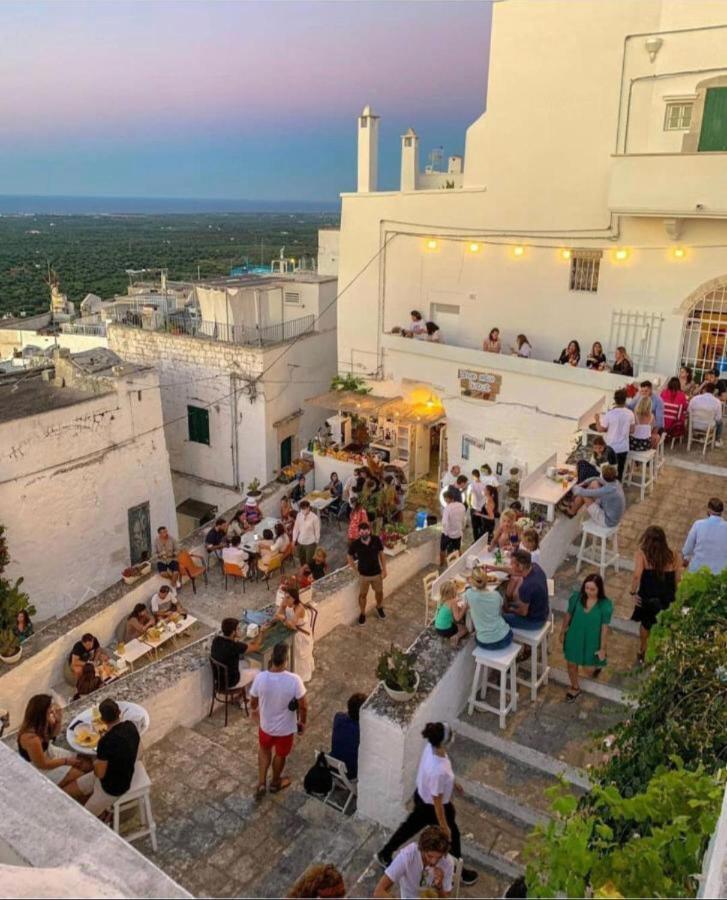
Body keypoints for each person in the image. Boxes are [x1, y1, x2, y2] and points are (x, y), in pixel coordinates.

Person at [376, 724, 478, 887]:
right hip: (432, 807)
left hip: (421, 795)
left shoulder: (431, 749)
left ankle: (385, 853)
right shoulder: (439, 770)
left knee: (409, 828)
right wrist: (445, 827)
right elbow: (437, 802)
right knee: (453, 837)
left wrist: (453, 783)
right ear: (444, 742)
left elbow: (442, 776)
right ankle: (458, 872)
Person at [249, 642, 307, 799]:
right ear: (286, 660)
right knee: (280, 755)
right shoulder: (294, 680)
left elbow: (253, 701)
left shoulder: (261, 678)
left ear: (272, 658)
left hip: (266, 726)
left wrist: (254, 711)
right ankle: (275, 782)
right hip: (285, 729)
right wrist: (302, 722)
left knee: (264, 750)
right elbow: (303, 706)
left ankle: (261, 783)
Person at [18, 695, 94, 801]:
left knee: (88, 764)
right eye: (50, 712)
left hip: (51, 752)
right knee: (81, 776)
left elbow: (53, 735)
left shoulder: (43, 723)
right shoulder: (31, 738)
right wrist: (67, 761)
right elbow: (42, 764)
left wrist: (58, 720)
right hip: (42, 767)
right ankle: (61, 798)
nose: (52, 714)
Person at [631, 526, 682, 664]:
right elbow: (678, 579)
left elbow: (637, 576)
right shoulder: (674, 555)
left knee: (646, 624)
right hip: (667, 596)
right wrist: (676, 597)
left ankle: (643, 650)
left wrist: (633, 592)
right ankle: (660, 651)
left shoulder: (641, 554)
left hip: (648, 596)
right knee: (665, 624)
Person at [84, 698, 141, 817]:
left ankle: (104, 814)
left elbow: (99, 774)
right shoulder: (131, 726)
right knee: (79, 785)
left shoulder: (105, 742)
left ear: (102, 719)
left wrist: (94, 761)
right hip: (123, 774)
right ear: (119, 712)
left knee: (84, 815)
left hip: (112, 788)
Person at [560, 574, 613, 701]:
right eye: (587, 588)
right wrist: (562, 631)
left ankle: (595, 667)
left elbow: (604, 628)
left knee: (588, 670)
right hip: (574, 636)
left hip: (592, 640)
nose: (588, 591)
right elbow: (568, 615)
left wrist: (602, 648)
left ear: (599, 589)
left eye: (592, 589)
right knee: (571, 664)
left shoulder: (605, 605)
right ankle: (575, 687)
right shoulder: (577, 598)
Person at [375, 827, 454, 899]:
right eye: (430, 856)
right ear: (422, 849)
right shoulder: (408, 856)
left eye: (439, 857)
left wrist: (439, 886)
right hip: (409, 895)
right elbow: (379, 891)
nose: (434, 861)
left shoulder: (447, 862)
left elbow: (445, 897)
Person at [348, 521, 387, 625]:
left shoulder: (376, 539)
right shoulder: (355, 544)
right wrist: (355, 570)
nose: (364, 533)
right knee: (362, 595)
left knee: (379, 592)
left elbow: (381, 554)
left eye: (366, 531)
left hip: (376, 573)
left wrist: (384, 569)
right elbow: (349, 556)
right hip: (363, 575)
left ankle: (379, 607)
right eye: (361, 531)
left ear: (369, 531)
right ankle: (363, 613)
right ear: (359, 533)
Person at [500, 549, 549, 630]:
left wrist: (510, 610)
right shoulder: (534, 566)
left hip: (535, 621)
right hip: (543, 611)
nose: (510, 565)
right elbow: (513, 571)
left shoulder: (527, 586)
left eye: (512, 563)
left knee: (498, 617)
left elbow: (523, 612)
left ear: (520, 566)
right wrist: (494, 568)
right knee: (508, 605)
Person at [211, 616, 262, 692]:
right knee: (258, 673)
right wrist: (261, 632)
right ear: (233, 632)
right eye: (238, 629)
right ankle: (250, 696)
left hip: (219, 680)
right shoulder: (234, 646)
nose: (240, 630)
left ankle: (246, 690)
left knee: (246, 662)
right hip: (231, 682)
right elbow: (257, 647)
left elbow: (243, 646)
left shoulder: (217, 640)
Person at [466, 567, 512, 650]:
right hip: (505, 638)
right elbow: (500, 610)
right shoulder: (496, 595)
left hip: (485, 641)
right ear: (486, 580)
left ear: (472, 580)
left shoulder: (469, 594)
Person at [596, 388, 635, 480]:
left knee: (607, 472)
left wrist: (597, 419)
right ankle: (618, 488)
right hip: (623, 447)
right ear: (625, 400)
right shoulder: (630, 414)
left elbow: (600, 429)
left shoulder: (610, 414)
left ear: (615, 400)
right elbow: (632, 430)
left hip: (611, 447)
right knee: (619, 472)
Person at [682, 497, 727, 574]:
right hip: (721, 575)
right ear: (721, 511)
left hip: (698, 572)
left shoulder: (698, 524)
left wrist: (686, 559)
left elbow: (687, 550)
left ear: (709, 510)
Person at [330, 692, 367, 780]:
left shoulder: (338, 718)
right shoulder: (362, 732)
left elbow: (344, 715)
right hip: (351, 772)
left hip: (333, 764)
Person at [434, 581, 469, 647]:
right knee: (464, 629)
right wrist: (464, 608)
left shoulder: (440, 599)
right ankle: (455, 637)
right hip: (445, 630)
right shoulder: (453, 602)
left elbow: (448, 606)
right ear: (452, 592)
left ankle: (452, 631)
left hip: (437, 627)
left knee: (456, 623)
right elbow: (457, 618)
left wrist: (456, 601)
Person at [440, 488, 466, 566]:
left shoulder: (447, 508)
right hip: (458, 533)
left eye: (445, 499)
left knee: (442, 549)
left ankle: (442, 564)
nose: (444, 501)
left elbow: (445, 523)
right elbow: (463, 519)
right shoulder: (461, 505)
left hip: (448, 534)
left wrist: (446, 533)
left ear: (447, 498)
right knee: (458, 550)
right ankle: (461, 564)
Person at [292, 500, 321, 567]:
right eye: (302, 509)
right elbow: (296, 528)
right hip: (300, 541)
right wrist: (294, 539)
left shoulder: (314, 518)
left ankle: (311, 573)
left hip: (310, 543)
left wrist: (316, 542)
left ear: (308, 508)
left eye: (305, 508)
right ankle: (304, 573)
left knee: (309, 561)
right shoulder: (299, 515)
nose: (303, 510)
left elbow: (317, 531)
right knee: (302, 559)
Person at [467, 469, 487, 541]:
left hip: (474, 508)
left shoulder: (471, 485)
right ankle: (480, 540)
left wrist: (469, 505)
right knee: (480, 524)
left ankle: (476, 540)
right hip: (481, 507)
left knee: (474, 526)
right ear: (479, 475)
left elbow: (468, 496)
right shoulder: (484, 485)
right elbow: (486, 497)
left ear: (473, 476)